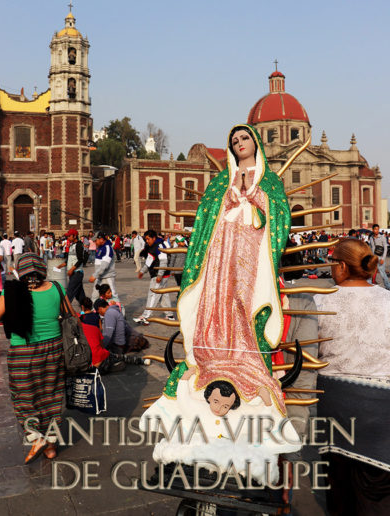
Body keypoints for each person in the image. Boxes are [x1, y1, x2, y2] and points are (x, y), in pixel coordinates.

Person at [140, 124, 302, 483]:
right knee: (218, 300)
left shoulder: (270, 182)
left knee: (246, 306)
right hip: (221, 253)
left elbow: (280, 218)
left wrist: (254, 201)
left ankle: (246, 356)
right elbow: (205, 221)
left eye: (244, 139)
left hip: (252, 252)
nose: (239, 144)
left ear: (254, 142)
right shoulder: (221, 181)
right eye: (234, 141)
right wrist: (229, 202)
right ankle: (213, 351)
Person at [315, 239, 390, 515]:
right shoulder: (388, 299)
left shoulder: (319, 301)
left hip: (336, 407)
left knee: (340, 490)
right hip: (382, 409)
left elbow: (309, 357)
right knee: (377, 494)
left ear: (342, 266)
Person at [0, 253, 75, 463]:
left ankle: (36, 437)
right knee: (52, 395)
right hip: (54, 350)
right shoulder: (56, 288)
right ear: (42, 269)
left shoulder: (12, 293)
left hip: (23, 353)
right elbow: (71, 315)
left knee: (24, 397)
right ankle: (51, 447)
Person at [133, 229, 175, 325]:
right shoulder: (152, 247)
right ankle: (170, 315)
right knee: (163, 295)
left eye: (148, 239)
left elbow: (164, 261)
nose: (147, 241)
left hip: (160, 274)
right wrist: (142, 271)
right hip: (158, 274)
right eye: (146, 239)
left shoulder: (159, 246)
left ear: (154, 238)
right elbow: (149, 260)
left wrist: (160, 274)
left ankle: (146, 316)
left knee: (153, 294)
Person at [58, 229, 86, 305]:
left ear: (74, 236)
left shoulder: (79, 245)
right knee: (80, 295)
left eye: (69, 236)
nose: (68, 238)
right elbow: (70, 259)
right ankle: (86, 309)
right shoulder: (71, 245)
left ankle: (64, 310)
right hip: (73, 273)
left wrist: (71, 269)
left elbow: (81, 260)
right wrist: (60, 266)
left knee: (69, 293)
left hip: (77, 273)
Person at [89, 232, 119, 303]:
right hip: (99, 277)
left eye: (95, 240)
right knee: (95, 296)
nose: (94, 242)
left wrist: (94, 275)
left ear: (101, 239)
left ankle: (119, 312)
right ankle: (94, 311)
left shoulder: (107, 248)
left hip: (107, 277)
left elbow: (104, 265)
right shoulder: (100, 248)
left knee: (112, 296)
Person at [369, 223, 390, 290]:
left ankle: (388, 286)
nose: (377, 230)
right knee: (370, 272)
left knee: (383, 273)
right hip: (373, 258)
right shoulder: (371, 238)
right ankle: (368, 286)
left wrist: (383, 258)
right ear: (372, 230)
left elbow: (385, 248)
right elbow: (371, 247)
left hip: (380, 257)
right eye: (375, 229)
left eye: (378, 229)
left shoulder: (382, 237)